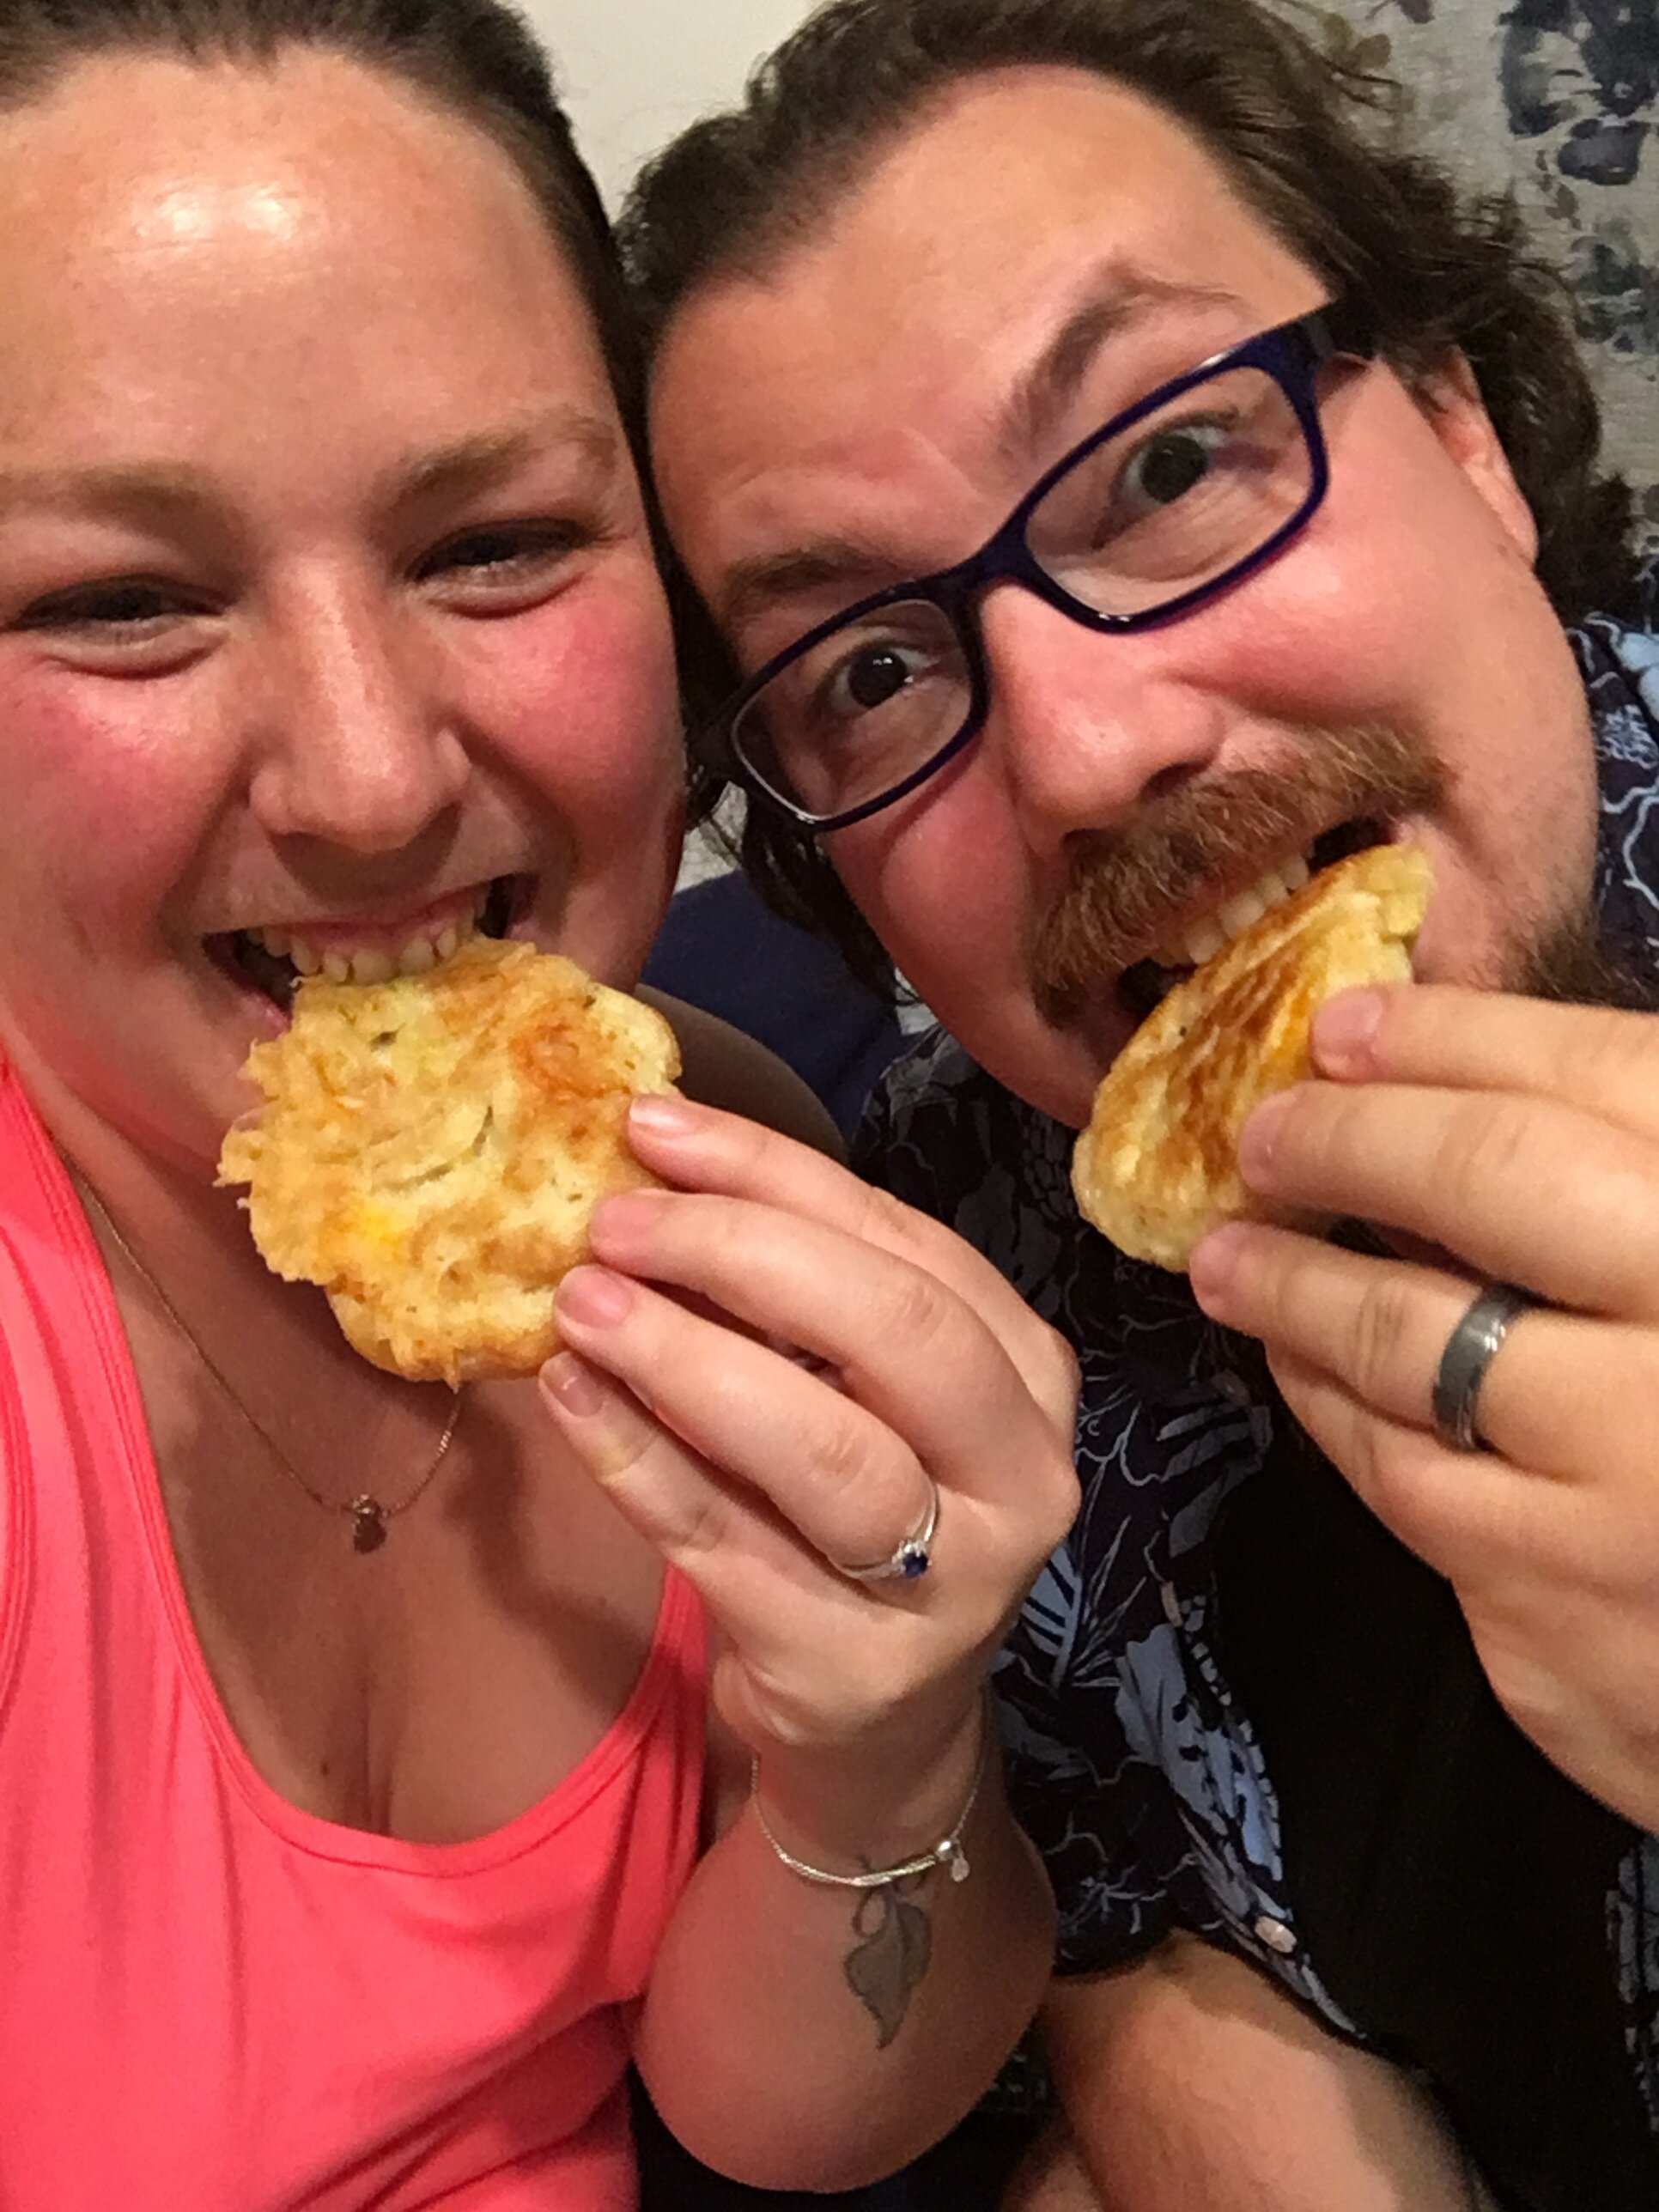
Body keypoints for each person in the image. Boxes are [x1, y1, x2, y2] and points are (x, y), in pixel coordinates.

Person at [0, 3, 1086, 2204]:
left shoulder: (732, 1164)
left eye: (493, 541)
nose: (375, 773)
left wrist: (878, 1750)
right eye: (121, 599)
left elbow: (772, 2111)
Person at [620, 1, 1659, 2204]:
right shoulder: (964, 1298)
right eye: (874, 672)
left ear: (1467, 433)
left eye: (1171, 463)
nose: (1085, 750)